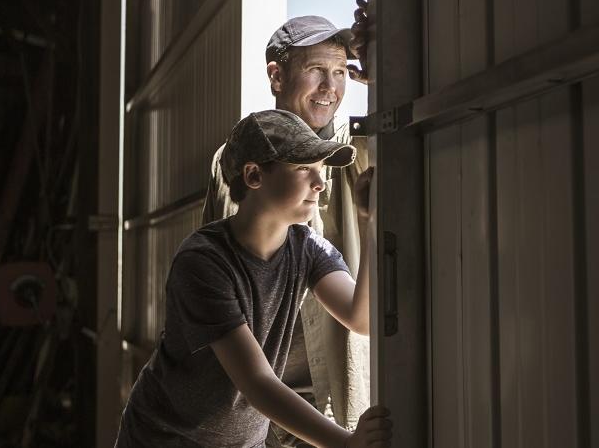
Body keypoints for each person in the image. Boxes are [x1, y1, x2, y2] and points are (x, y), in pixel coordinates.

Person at [116, 109, 392, 448]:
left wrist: (369, 223)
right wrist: (345, 444)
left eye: (321, 169)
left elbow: (361, 318)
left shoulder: (307, 248)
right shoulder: (203, 261)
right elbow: (256, 381)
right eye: (304, 168)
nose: (319, 182)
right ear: (254, 175)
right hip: (167, 438)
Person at [201, 9, 373, 447]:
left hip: (334, 406)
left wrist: (385, 76)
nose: (330, 87)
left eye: (339, 71)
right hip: (255, 409)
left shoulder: (358, 151)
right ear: (277, 76)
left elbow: (362, 316)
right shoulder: (235, 160)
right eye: (316, 69)